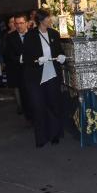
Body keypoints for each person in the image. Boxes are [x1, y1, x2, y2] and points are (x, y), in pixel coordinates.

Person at [22, 9, 67, 147]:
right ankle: (41, 138)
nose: (51, 20)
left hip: (52, 74)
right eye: (48, 18)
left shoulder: (54, 34)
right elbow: (26, 58)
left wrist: (61, 57)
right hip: (36, 77)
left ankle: (54, 135)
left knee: (53, 104)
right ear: (41, 20)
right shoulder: (30, 35)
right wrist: (37, 60)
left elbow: (59, 51)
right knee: (38, 106)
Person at [4, 13, 30, 118]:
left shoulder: (34, 34)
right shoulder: (10, 37)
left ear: (27, 23)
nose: (19, 26)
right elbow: (8, 54)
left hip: (34, 70)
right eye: (17, 23)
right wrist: (20, 59)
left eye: (21, 23)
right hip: (19, 71)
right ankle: (28, 115)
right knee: (24, 95)